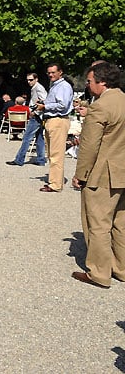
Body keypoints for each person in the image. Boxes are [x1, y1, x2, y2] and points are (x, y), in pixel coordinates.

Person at [70, 61, 125, 288]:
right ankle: (121, 268)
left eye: (90, 81)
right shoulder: (123, 99)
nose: (88, 85)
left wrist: (80, 174)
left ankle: (99, 272)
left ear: (102, 81)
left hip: (103, 173)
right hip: (122, 170)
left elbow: (89, 146)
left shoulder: (100, 107)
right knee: (121, 222)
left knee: (98, 224)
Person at [35, 63, 74, 192]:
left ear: (60, 72)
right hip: (51, 120)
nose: (51, 75)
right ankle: (54, 180)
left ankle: (55, 184)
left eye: (53, 72)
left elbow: (62, 105)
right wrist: (44, 103)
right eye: (49, 73)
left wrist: (45, 107)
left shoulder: (63, 86)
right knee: (51, 154)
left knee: (56, 154)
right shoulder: (55, 86)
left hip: (58, 120)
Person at [6, 72, 48, 167]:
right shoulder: (35, 88)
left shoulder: (38, 88)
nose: (29, 82)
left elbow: (44, 100)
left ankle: (19, 159)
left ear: (36, 79)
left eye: (31, 80)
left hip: (37, 116)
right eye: (28, 80)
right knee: (39, 137)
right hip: (39, 115)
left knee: (27, 137)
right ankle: (41, 159)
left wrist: (35, 112)